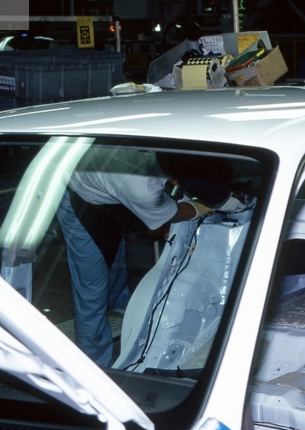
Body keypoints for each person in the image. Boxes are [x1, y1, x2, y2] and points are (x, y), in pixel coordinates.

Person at [56, 148, 231, 367]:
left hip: (108, 185)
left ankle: (121, 318)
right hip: (79, 194)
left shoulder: (178, 148)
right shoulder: (142, 187)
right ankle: (94, 365)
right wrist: (205, 206)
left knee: (113, 263)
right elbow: (171, 213)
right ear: (176, 181)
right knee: (91, 288)